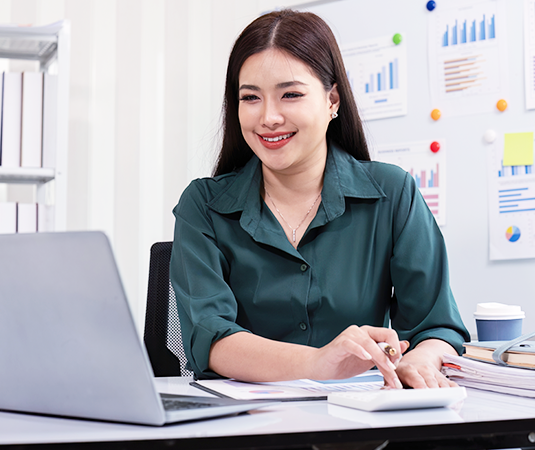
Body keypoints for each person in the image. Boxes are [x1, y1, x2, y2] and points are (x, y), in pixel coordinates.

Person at [170, 9, 470, 389]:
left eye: (290, 94)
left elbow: (437, 325)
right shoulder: (205, 205)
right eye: (251, 98)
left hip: (362, 425)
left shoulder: (393, 194)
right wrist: (318, 361)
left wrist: (420, 361)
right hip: (246, 426)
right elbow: (210, 338)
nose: (269, 117)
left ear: (332, 101)